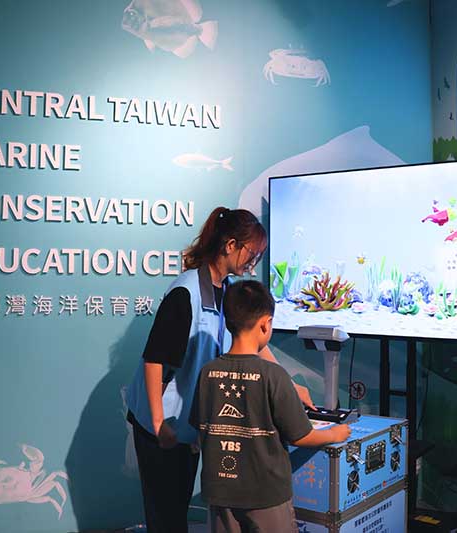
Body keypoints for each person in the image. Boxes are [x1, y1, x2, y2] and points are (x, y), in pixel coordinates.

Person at [125, 207, 315, 533]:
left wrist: (290, 384)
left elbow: (252, 339)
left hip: (183, 424)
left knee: (176, 509)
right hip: (161, 421)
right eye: (252, 254)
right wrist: (158, 424)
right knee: (166, 518)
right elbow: (154, 360)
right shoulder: (185, 292)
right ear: (230, 245)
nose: (253, 263)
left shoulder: (226, 289)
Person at [190, 280, 352, 533]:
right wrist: (334, 433)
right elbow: (301, 436)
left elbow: (199, 427)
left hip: (220, 492)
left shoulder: (207, 372)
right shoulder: (274, 375)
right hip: (265, 495)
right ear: (265, 324)